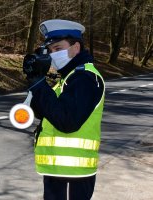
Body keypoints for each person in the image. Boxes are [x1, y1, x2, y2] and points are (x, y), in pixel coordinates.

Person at [23, 19, 105, 200]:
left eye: (58, 49)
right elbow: (49, 112)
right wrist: (36, 82)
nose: (53, 55)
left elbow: (67, 121)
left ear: (75, 48)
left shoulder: (85, 78)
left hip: (73, 173)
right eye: (51, 51)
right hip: (59, 169)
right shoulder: (68, 78)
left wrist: (39, 85)